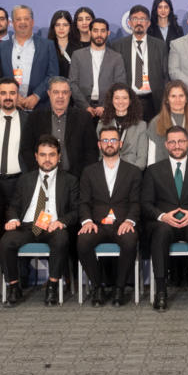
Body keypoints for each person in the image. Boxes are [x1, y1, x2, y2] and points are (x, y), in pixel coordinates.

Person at [0, 134, 78, 306]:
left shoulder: (70, 180)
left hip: (53, 226)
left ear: (59, 156)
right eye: (43, 155)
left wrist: (61, 221)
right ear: (36, 156)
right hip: (27, 226)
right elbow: (13, 206)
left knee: (62, 238)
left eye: (52, 155)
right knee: (6, 242)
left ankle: (52, 286)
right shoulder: (25, 179)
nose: (47, 159)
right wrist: (13, 219)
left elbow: (76, 210)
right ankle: (14, 287)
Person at [142, 124, 188, 311]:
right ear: (166, 145)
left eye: (181, 141)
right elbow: (146, 203)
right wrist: (162, 216)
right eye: (172, 142)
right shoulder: (153, 170)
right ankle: (161, 291)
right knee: (160, 231)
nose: (177, 146)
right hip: (165, 223)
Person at [75, 124, 142, 306]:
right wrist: (87, 221)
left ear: (120, 143)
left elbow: (136, 202)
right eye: (105, 140)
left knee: (130, 241)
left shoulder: (133, 171)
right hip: (97, 224)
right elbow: (84, 202)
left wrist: (129, 221)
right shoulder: (89, 171)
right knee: (83, 241)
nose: (109, 143)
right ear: (99, 144)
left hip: (122, 223)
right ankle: (98, 287)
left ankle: (119, 288)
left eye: (113, 140)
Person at [24, 76, 94, 174]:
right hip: (43, 176)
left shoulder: (84, 118)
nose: (60, 96)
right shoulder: (34, 117)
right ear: (49, 94)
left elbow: (91, 152)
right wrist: (39, 174)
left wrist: (83, 176)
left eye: (64, 92)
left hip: (76, 177)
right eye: (56, 92)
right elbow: (26, 149)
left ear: (70, 94)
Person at [0, 79, 36, 212]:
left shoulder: (29, 120)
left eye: (12, 93)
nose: (8, 97)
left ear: (18, 95)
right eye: (3, 93)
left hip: (21, 181)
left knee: (19, 220)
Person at [0, 4, 60, 109]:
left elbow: (53, 75)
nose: (22, 22)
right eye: (18, 19)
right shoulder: (1, 48)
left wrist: (37, 96)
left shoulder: (47, 45)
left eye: (26, 19)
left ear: (32, 22)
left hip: (40, 106)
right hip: (9, 105)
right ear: (12, 23)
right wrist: (13, 96)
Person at [142, 81, 188, 168]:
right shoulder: (156, 122)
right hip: (164, 173)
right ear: (167, 100)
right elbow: (151, 155)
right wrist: (152, 174)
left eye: (181, 96)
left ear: (186, 99)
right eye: (173, 96)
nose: (177, 100)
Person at [118, 4, 167, 120]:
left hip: (154, 100)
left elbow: (166, 74)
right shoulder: (118, 46)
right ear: (129, 23)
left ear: (148, 23)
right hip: (128, 100)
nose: (139, 22)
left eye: (143, 19)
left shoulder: (160, 45)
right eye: (135, 19)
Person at [69, 15, 123, 118]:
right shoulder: (77, 55)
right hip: (81, 109)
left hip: (108, 110)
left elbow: (119, 84)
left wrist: (105, 106)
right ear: (89, 32)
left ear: (108, 33)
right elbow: (73, 83)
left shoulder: (117, 57)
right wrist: (85, 106)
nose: (99, 34)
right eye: (95, 31)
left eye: (103, 31)